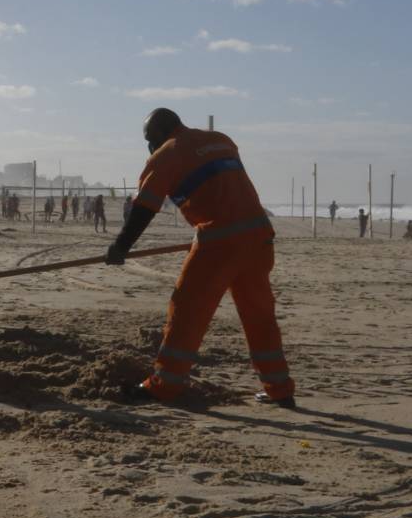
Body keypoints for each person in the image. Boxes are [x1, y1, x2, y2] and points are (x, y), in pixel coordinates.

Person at [106, 108, 297, 407]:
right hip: (259, 237)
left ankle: (163, 386)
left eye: (148, 139)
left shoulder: (166, 155)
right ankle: (279, 389)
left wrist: (120, 247)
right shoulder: (221, 140)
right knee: (259, 315)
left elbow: (145, 208)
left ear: (158, 134)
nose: (149, 146)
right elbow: (224, 191)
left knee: (186, 311)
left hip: (219, 242)